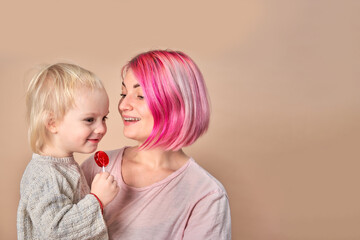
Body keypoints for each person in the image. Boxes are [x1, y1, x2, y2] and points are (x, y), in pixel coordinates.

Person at [81, 50, 232, 239]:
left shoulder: (207, 195)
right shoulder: (98, 165)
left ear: (175, 103)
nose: (122, 105)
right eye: (123, 93)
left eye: (140, 96)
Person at [17, 63, 119, 239]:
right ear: (52, 123)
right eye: (89, 119)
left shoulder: (64, 166)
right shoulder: (44, 174)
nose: (101, 128)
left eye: (104, 118)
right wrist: (97, 200)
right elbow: (56, 231)